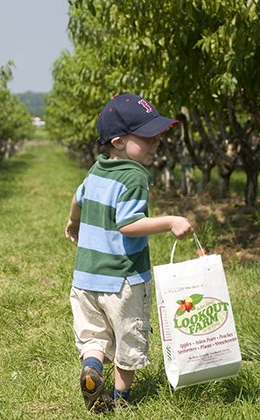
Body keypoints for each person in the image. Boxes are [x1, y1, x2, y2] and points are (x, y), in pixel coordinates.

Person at [64, 93, 193, 412]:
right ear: (119, 141)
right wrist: (170, 221)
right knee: (128, 339)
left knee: (93, 336)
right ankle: (122, 402)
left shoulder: (98, 168)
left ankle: (92, 368)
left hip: (85, 278)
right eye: (148, 137)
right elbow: (129, 224)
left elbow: (77, 199)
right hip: (123, 280)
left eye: (158, 136)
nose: (156, 143)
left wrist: (72, 222)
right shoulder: (135, 176)